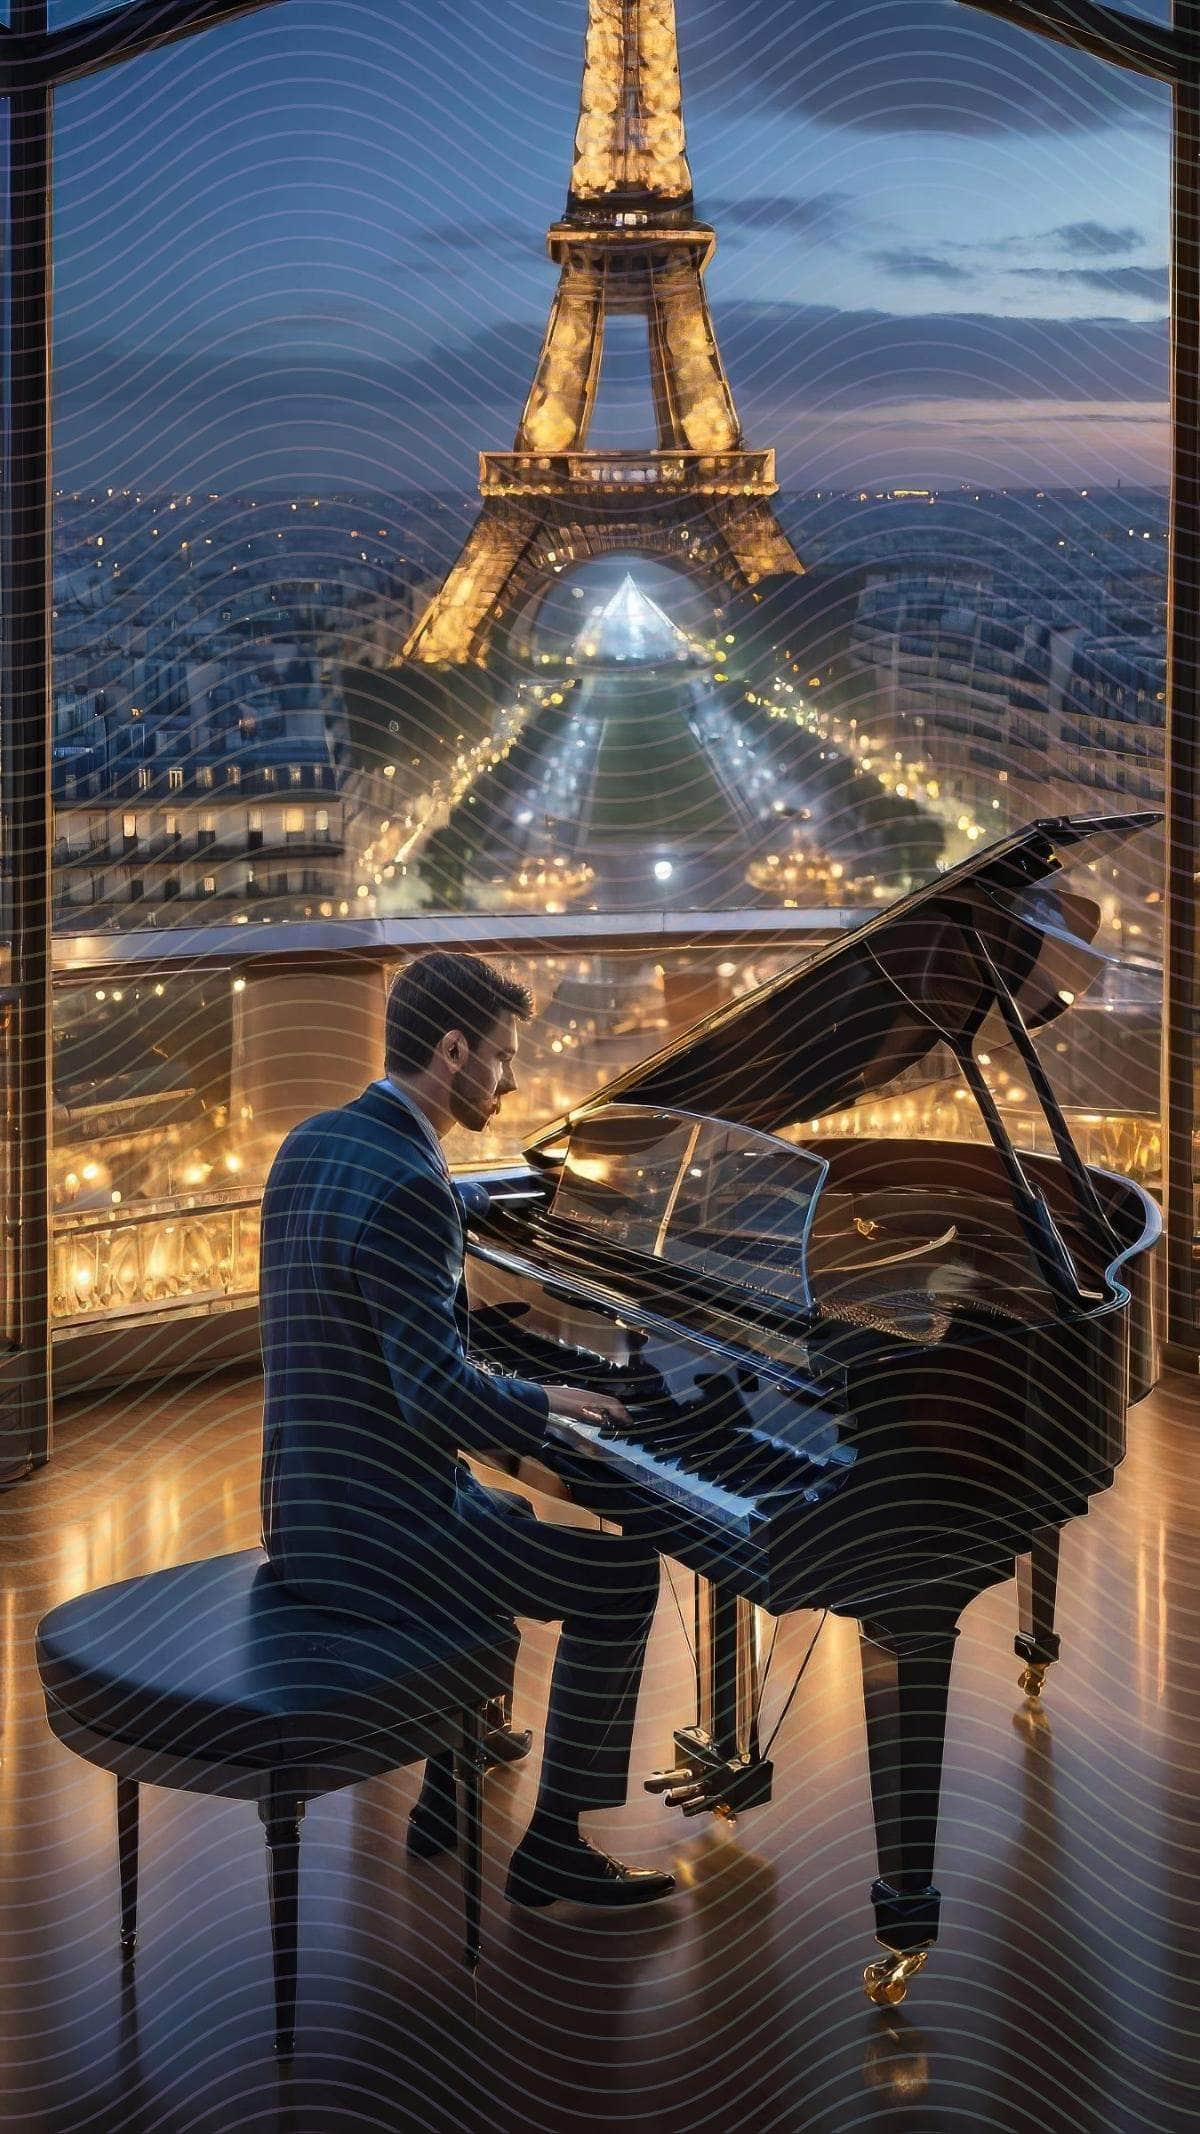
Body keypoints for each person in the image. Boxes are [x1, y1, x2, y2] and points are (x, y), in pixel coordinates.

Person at [258, 950, 675, 1908]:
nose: (513, 1078)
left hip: (301, 1513)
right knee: (621, 1579)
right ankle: (556, 1850)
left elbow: (413, 1209)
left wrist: (496, 1198)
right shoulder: (411, 1192)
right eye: (499, 1056)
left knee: (504, 1515)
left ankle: (448, 1783)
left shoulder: (315, 1143)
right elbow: (437, 1401)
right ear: (453, 1050)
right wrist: (548, 1401)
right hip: (383, 1543)